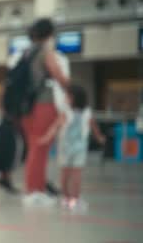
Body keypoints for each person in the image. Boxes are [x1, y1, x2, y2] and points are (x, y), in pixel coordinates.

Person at [20, 18, 69, 207]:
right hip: (44, 104)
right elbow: (57, 74)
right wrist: (72, 90)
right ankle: (35, 191)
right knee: (40, 148)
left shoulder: (26, 52)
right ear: (50, 34)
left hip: (27, 106)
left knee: (34, 147)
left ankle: (34, 189)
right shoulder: (46, 51)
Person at [38, 84, 106, 212]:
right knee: (66, 174)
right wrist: (47, 138)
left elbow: (93, 126)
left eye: (68, 96)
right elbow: (56, 126)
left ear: (76, 98)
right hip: (67, 147)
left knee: (75, 174)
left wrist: (99, 137)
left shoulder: (84, 112)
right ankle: (67, 198)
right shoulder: (67, 112)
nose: (65, 98)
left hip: (77, 148)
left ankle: (73, 198)